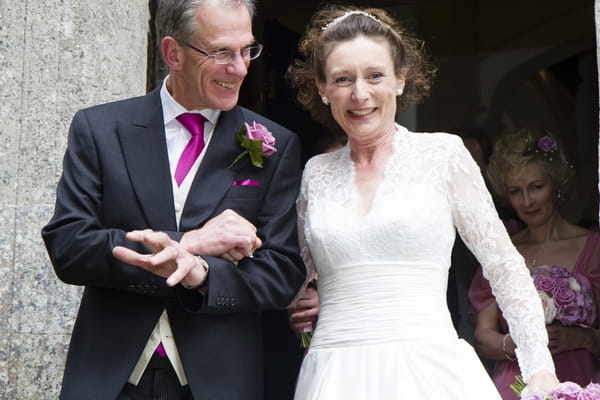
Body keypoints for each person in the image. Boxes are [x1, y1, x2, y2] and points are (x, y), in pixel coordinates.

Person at [285, 5, 559, 399]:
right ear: (323, 89)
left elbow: (503, 267)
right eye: (343, 79)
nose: (360, 94)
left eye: (375, 75)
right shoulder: (316, 174)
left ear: (400, 79)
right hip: (333, 375)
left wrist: (539, 368)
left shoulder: (443, 156)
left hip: (428, 372)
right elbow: (302, 278)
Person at [41, 0, 306, 399]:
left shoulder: (276, 145)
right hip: (110, 377)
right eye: (221, 52)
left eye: (247, 49)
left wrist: (202, 274)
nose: (240, 67)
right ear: (172, 53)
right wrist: (190, 242)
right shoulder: (99, 129)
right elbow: (69, 245)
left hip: (219, 382)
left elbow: (282, 273)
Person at [468, 127, 600, 399]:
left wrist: (584, 338)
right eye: (515, 191)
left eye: (536, 187)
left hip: (581, 383)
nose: (527, 201)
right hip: (515, 387)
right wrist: (517, 342)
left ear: (556, 185)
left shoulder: (593, 247)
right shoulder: (501, 251)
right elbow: (483, 335)